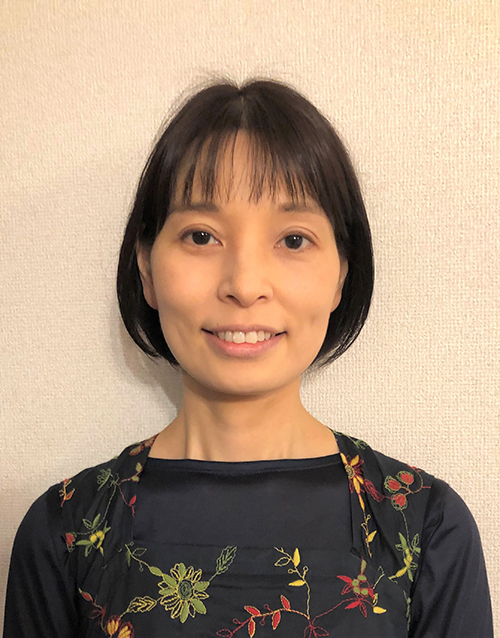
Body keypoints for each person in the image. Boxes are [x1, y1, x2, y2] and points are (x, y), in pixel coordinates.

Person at [3, 79, 493, 638]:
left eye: (293, 240)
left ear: (341, 274)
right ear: (146, 268)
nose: (244, 284)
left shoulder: (424, 529)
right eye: (201, 236)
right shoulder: (67, 531)